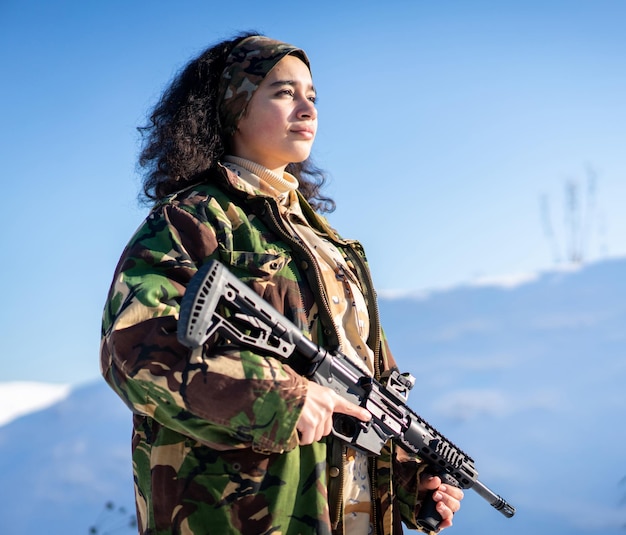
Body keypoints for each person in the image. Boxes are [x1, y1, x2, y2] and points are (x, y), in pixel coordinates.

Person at [100, 32, 464, 535]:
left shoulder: (331, 248)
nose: (307, 107)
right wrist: (278, 398)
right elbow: (135, 350)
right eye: (283, 92)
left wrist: (407, 473)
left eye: (312, 96)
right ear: (234, 108)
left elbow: (366, 393)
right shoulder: (193, 221)